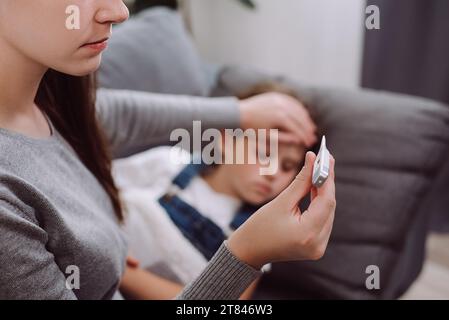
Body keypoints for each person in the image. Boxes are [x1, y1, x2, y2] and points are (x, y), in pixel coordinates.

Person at [0, 0, 335, 300]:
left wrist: (242, 113)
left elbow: (112, 115)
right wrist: (246, 255)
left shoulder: (54, 106)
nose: (119, 12)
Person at [114, 83, 307, 299]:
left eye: (288, 166)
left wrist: (123, 272)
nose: (273, 173)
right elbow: (95, 189)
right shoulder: (168, 164)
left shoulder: (260, 228)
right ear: (226, 141)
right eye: (264, 154)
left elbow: (228, 302)